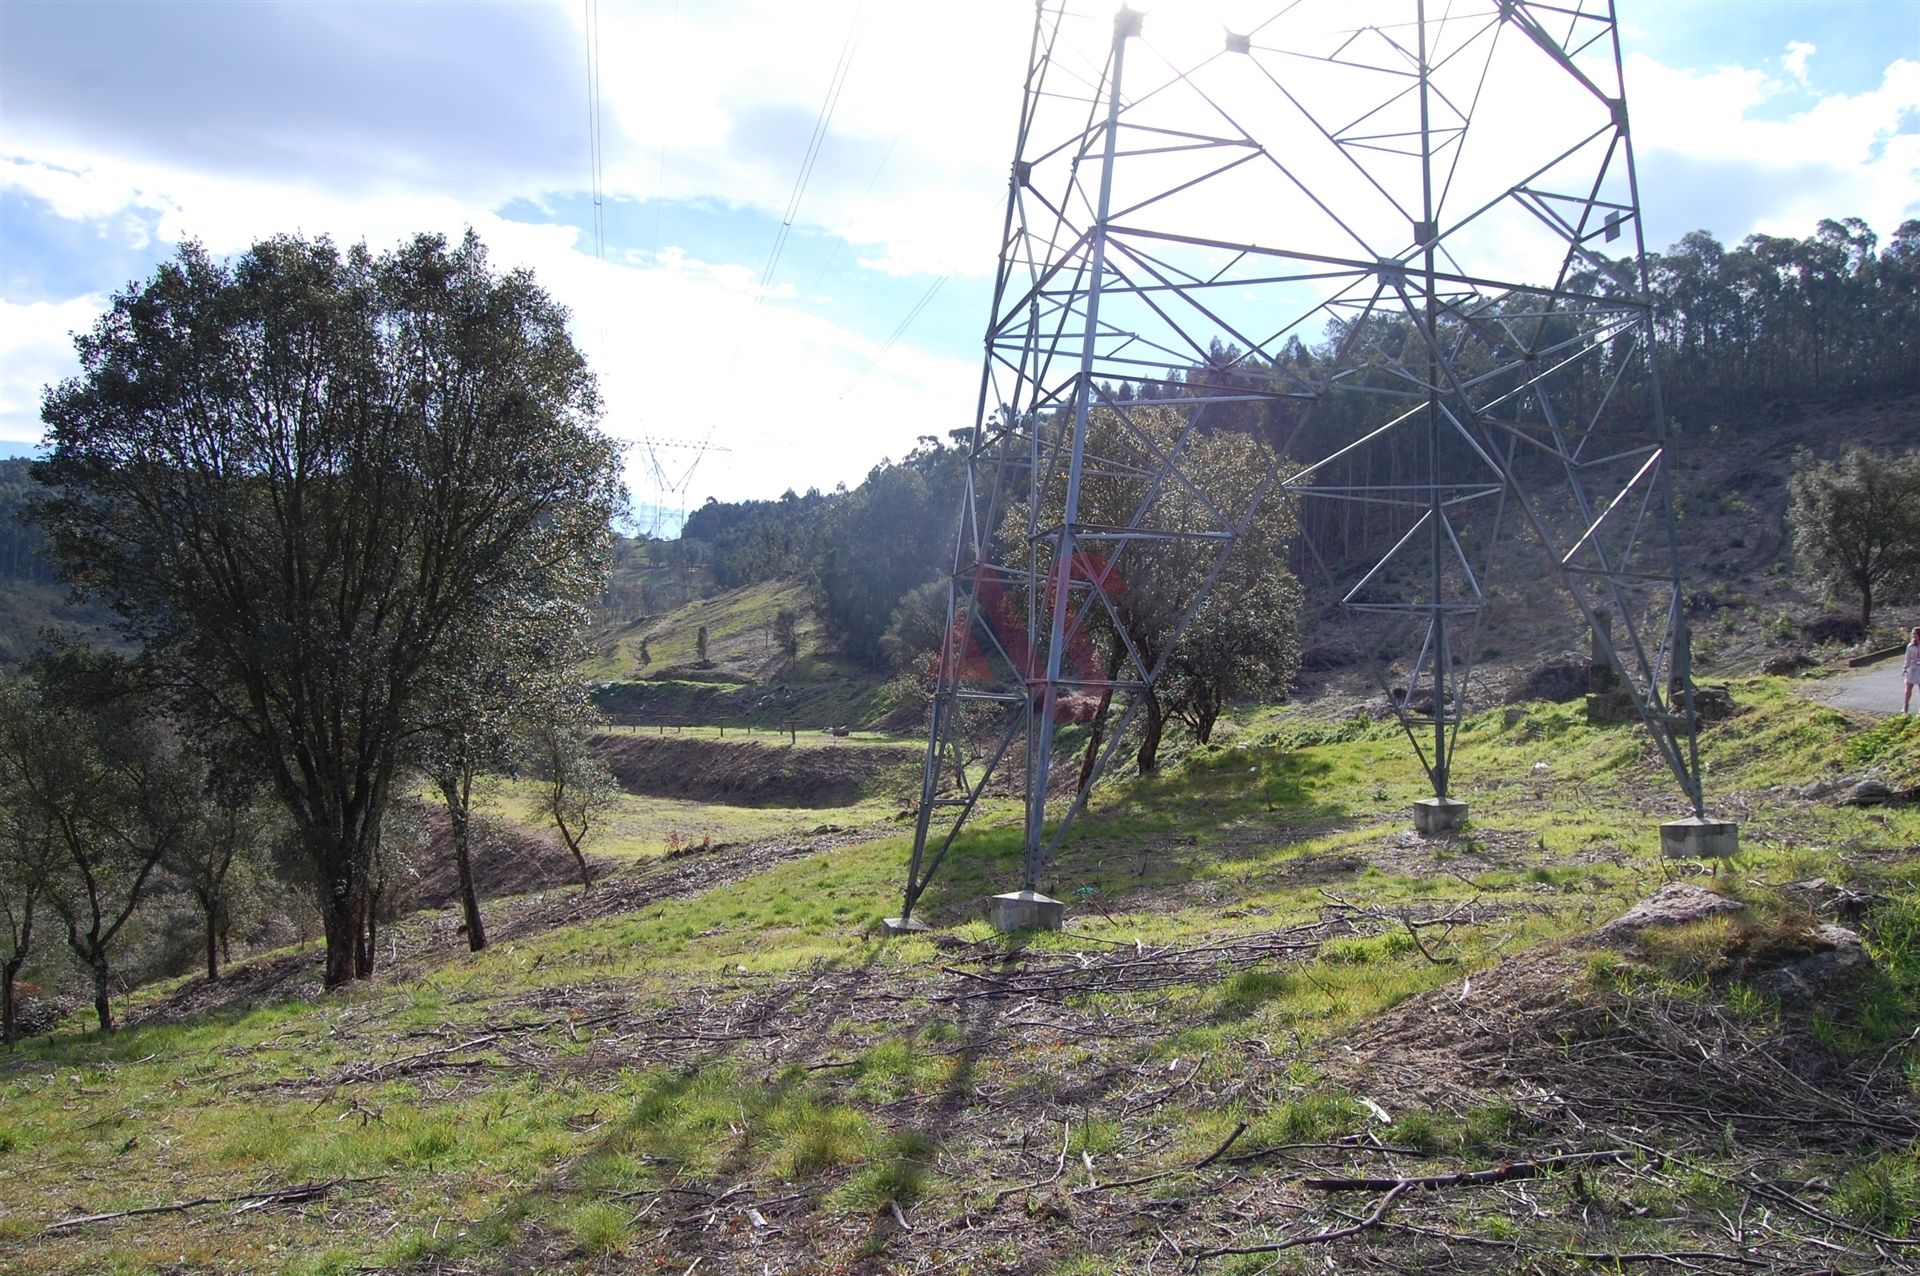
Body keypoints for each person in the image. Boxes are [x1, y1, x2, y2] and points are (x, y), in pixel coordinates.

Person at [1906, 627, 1920, 714]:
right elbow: (1907, 658)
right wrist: (1905, 667)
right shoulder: (1910, 646)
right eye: (1913, 634)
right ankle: (1905, 707)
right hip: (1913, 668)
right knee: (1908, 687)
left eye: (1915, 634)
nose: (1913, 635)